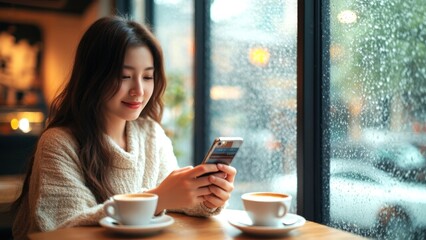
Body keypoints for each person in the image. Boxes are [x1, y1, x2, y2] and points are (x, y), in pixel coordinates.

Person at [12, 15, 236, 239]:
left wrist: (207, 197)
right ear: (94, 76)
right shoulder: (59, 143)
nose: (138, 90)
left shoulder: (151, 134)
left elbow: (175, 202)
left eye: (148, 76)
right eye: (124, 76)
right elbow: (63, 227)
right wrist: (157, 198)